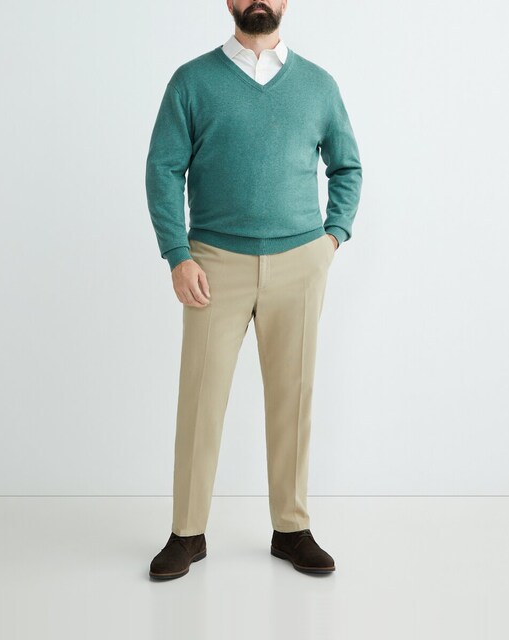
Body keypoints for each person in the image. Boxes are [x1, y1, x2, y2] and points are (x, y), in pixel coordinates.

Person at [145, 0, 362, 580]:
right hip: (214, 263)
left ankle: (291, 529)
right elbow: (163, 169)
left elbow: (347, 167)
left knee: (294, 397)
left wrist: (332, 237)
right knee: (201, 398)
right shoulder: (192, 81)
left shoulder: (318, 85)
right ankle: (187, 533)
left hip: (300, 261)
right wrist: (178, 255)